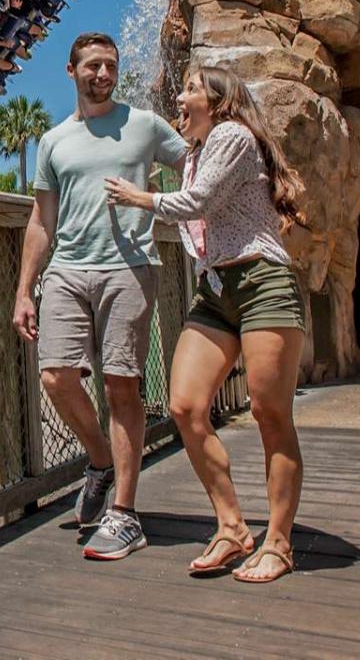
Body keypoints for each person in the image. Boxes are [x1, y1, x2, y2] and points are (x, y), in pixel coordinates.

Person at [104, 67, 306, 582]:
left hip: (262, 283)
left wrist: (140, 197)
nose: (181, 95)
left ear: (220, 102)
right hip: (215, 292)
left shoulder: (233, 135)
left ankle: (278, 543)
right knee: (186, 405)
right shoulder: (196, 152)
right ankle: (233, 527)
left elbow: (197, 204)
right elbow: (194, 214)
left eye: (192, 87)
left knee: (269, 413)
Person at [12, 32, 187, 560]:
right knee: (55, 375)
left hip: (129, 269)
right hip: (66, 270)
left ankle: (125, 514)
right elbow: (41, 219)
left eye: (110, 65)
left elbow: (200, 169)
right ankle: (101, 460)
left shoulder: (145, 125)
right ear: (71, 71)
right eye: (92, 65)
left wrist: (158, 202)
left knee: (121, 386)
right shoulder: (53, 141)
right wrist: (24, 290)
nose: (103, 74)